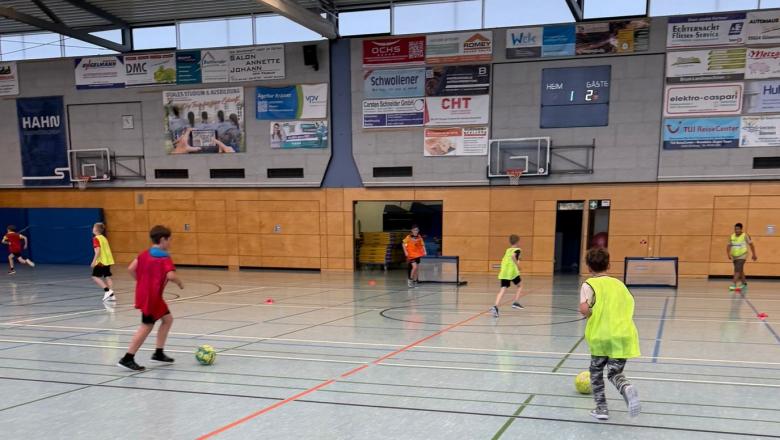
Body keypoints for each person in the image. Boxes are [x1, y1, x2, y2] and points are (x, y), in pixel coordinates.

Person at [579, 247, 641, 421]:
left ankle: (602, 409)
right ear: (609, 265)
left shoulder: (589, 284)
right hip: (622, 335)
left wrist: (589, 312)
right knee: (614, 373)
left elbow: (584, 308)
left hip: (601, 336)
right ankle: (625, 386)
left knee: (596, 372)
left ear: (588, 267)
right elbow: (629, 303)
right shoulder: (620, 284)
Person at [117, 225, 182, 372]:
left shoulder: (144, 254)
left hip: (148, 295)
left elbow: (131, 269)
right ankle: (127, 358)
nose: (170, 242)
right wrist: (180, 283)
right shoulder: (164, 257)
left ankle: (158, 353)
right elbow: (171, 275)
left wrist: (141, 282)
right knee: (147, 325)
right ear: (162, 240)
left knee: (167, 319)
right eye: (169, 240)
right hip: (151, 298)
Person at [491, 234, 526, 318]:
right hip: (512, 272)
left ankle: (495, 306)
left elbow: (512, 257)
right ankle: (515, 302)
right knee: (520, 286)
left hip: (504, 272)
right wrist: (518, 266)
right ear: (518, 242)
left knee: (503, 289)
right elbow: (513, 256)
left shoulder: (508, 250)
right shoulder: (518, 249)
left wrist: (519, 258)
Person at [727, 223, 757, 291]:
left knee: (737, 270)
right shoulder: (732, 236)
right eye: (735, 229)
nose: (736, 230)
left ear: (741, 229)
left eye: (738, 229)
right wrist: (728, 254)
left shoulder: (745, 235)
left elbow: (751, 245)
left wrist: (754, 254)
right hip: (734, 256)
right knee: (740, 270)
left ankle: (733, 284)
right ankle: (744, 284)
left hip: (742, 255)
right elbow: (728, 246)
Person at [90, 222, 115, 301]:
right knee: (107, 276)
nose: (92, 229)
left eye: (93, 227)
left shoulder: (96, 238)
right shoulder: (104, 238)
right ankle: (112, 295)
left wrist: (94, 261)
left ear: (96, 229)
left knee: (95, 276)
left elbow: (98, 251)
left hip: (101, 262)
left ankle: (107, 291)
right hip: (107, 260)